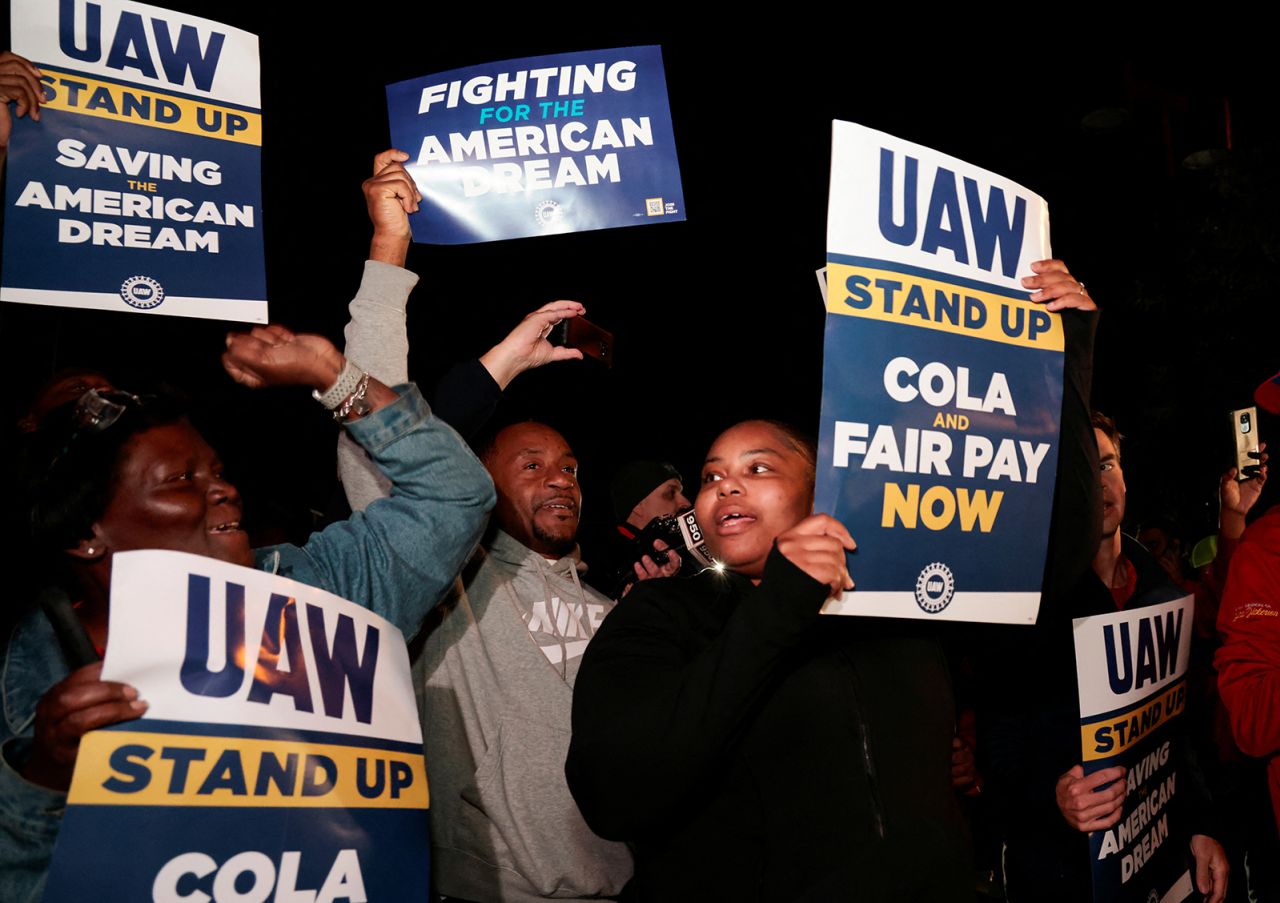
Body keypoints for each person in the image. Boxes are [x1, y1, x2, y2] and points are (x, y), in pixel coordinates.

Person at [0, 319, 495, 901]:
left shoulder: (315, 592)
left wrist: (335, 378)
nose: (223, 490)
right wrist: (44, 780)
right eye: (181, 480)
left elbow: (454, 493)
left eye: (218, 471)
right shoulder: (39, 682)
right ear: (87, 531)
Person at [337, 150, 648, 901]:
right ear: (473, 482)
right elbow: (378, 440)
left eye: (570, 466)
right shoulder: (451, 584)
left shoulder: (616, 607)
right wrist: (390, 249)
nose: (560, 479)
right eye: (532, 464)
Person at [993, 411, 1236, 903]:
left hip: (1156, 861)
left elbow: (1178, 730)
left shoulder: (1161, 591)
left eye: (1106, 465)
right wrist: (1054, 799)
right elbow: (997, 754)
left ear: (1125, 476)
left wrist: (1201, 825)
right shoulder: (1028, 607)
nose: (1098, 483)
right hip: (1067, 874)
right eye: (1081, 471)